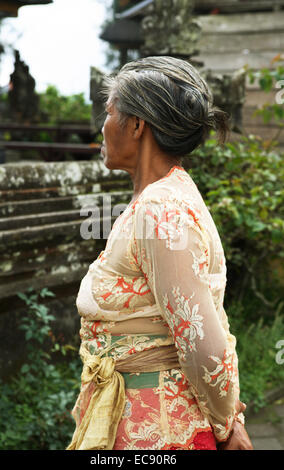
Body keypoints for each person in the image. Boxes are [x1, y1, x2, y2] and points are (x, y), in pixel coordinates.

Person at [67, 56, 253, 451]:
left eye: (109, 112)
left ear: (136, 125)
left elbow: (202, 341)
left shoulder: (161, 209)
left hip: (161, 436)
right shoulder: (157, 199)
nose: (102, 126)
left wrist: (227, 424)